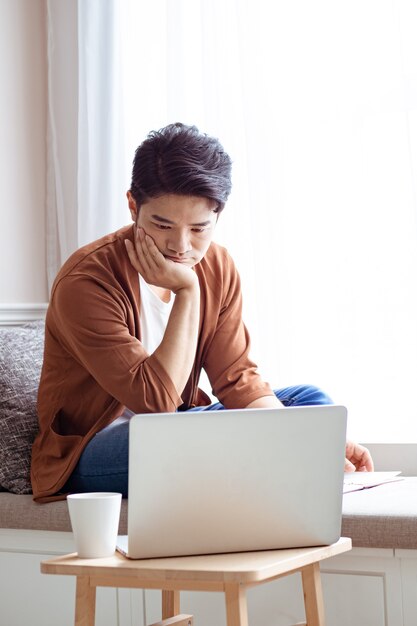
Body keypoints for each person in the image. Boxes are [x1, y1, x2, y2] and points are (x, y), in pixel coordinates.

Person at [31, 123, 373, 501]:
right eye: (162, 225)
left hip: (183, 428)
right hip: (95, 449)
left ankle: (286, 452)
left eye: (198, 229)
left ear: (218, 217)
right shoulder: (87, 280)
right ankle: (289, 459)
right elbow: (156, 403)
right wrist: (187, 290)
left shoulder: (218, 265)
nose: (180, 246)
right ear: (133, 205)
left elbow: (236, 377)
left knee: (309, 402)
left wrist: (299, 432)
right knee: (202, 430)